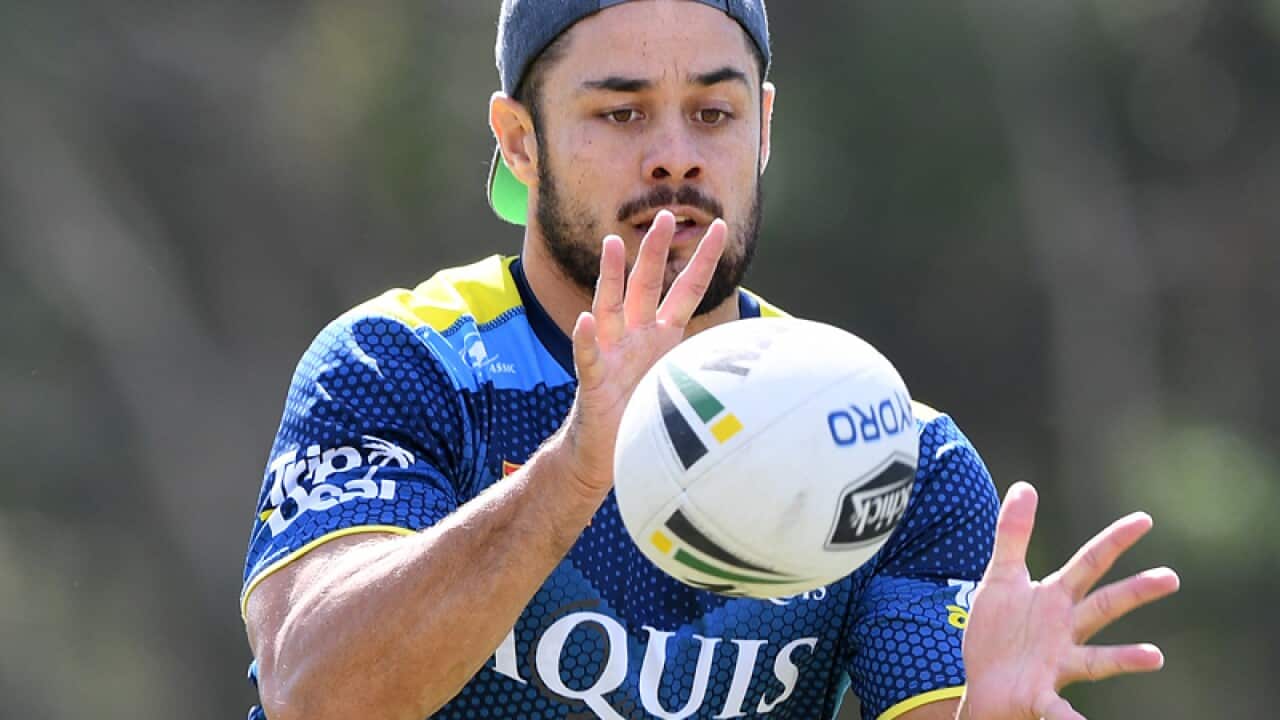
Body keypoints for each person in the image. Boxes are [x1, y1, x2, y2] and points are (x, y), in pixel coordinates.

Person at [240, 1, 1180, 718]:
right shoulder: (405, 365)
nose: (675, 158)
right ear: (519, 142)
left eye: (715, 113)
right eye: (621, 116)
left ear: (764, 127)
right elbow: (312, 689)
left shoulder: (887, 449)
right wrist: (572, 473)